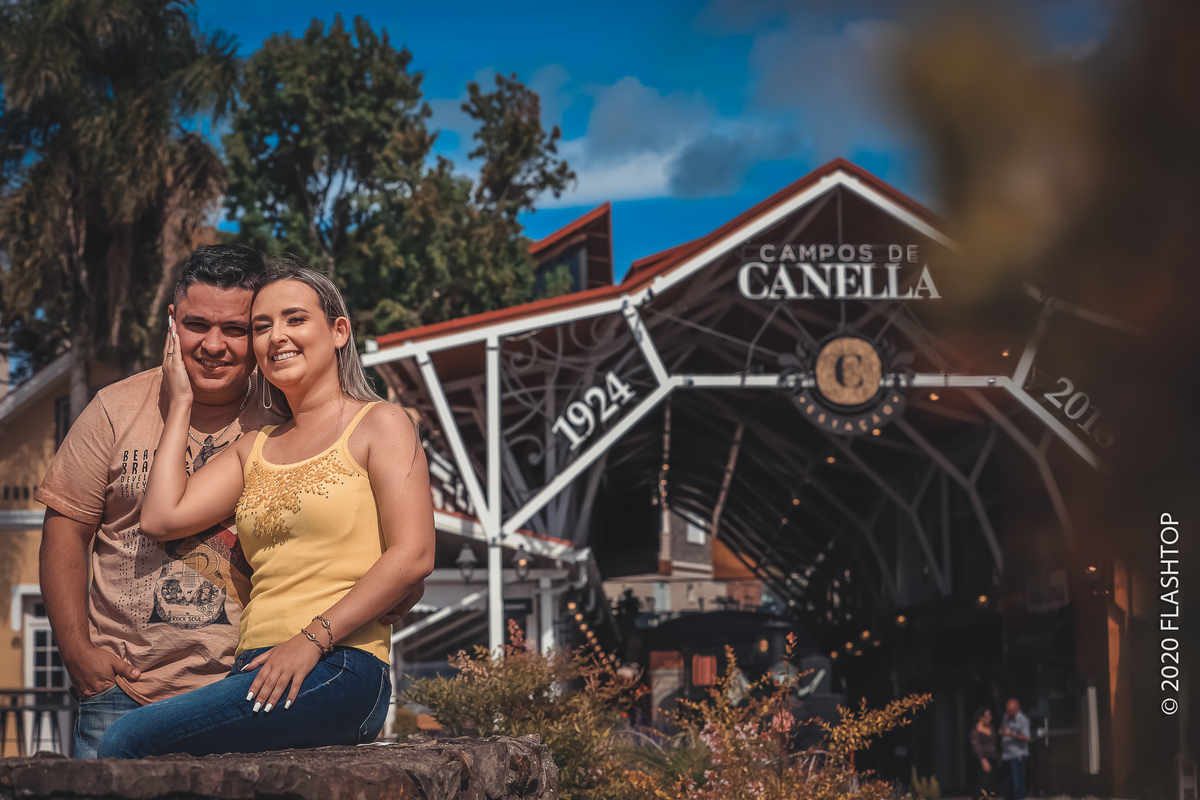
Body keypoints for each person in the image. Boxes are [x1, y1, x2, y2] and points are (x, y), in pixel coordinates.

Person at [95, 263, 435, 758]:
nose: (277, 337)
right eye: (261, 326)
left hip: (337, 662)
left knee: (127, 739)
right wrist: (182, 400)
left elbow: (414, 555)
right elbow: (162, 516)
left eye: (295, 320)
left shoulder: (380, 423)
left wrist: (311, 639)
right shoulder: (253, 447)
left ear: (339, 331)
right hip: (255, 666)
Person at [998, 697, 1032, 800]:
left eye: (1011, 712)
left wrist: (1011, 734)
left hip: (1017, 755)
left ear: (1017, 709)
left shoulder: (1023, 720)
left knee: (1017, 782)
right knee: (1008, 783)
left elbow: (1026, 738)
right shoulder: (1005, 717)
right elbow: (1002, 729)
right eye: (1007, 711)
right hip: (1006, 754)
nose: (1008, 714)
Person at [968, 707, 1000, 799]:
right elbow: (976, 746)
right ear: (981, 718)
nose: (990, 718)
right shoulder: (976, 731)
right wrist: (982, 759)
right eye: (987, 716)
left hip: (993, 758)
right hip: (983, 759)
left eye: (990, 716)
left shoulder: (991, 727)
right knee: (983, 782)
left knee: (990, 783)